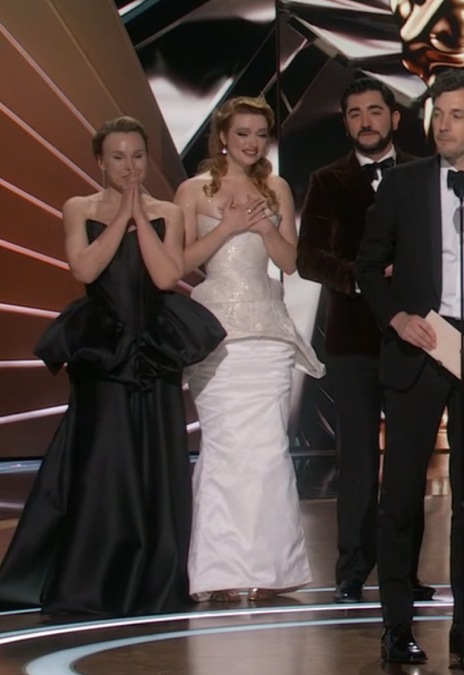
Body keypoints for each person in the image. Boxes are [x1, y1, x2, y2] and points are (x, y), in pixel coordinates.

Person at [0, 117, 225, 616]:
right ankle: (95, 579)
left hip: (155, 349)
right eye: (119, 158)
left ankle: (153, 579)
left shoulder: (167, 211)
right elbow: (84, 268)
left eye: (138, 156)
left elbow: (165, 277)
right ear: (100, 161)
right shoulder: (79, 207)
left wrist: (140, 215)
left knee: (155, 460)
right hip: (102, 350)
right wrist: (121, 216)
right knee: (104, 463)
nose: (130, 167)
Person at [356, 69, 464, 664]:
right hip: (419, 345)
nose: (443, 125)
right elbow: (367, 266)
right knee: (401, 496)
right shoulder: (402, 183)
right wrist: (397, 317)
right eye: (438, 114)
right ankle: (396, 626)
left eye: (456, 115)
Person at [176, 97, 324, 603]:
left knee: (266, 452)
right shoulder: (193, 190)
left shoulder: (276, 188)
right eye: (243, 133)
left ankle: (272, 569)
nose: (252, 143)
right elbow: (180, 262)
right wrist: (228, 227)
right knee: (224, 449)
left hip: (268, 333)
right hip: (217, 333)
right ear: (223, 136)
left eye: (261, 134)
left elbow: (291, 263)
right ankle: (219, 572)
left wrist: (264, 227)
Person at [296, 78, 437, 604]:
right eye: (355, 113)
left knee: (408, 459)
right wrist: (361, 277)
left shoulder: (425, 174)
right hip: (352, 340)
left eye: (374, 111)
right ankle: (351, 570)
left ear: (394, 118)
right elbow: (308, 257)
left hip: (414, 337)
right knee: (355, 458)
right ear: (346, 123)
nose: (366, 121)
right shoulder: (326, 180)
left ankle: (404, 571)